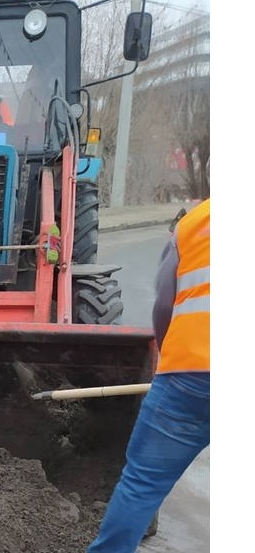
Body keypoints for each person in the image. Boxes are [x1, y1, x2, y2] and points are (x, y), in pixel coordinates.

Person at [87, 198, 210, 552]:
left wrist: (170, 355)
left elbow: (164, 304)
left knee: (142, 484)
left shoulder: (195, 223)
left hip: (188, 376)